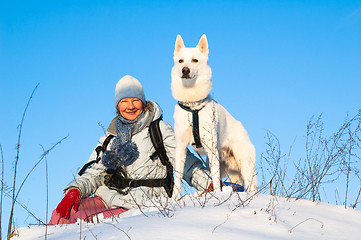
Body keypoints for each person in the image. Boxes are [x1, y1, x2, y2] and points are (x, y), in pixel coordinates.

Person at [49, 75, 211, 224]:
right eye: (124, 101)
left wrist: (210, 184)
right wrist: (75, 190)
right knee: (61, 216)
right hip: (110, 196)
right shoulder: (111, 137)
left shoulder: (159, 129)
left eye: (135, 100)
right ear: (118, 106)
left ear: (143, 102)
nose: (130, 106)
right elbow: (96, 171)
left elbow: (185, 162)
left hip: (145, 202)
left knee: (85, 223)